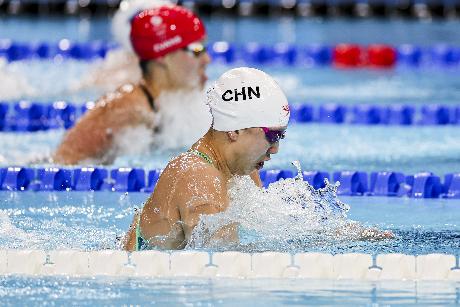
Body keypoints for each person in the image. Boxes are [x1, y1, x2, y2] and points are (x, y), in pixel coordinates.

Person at [123, 67, 290, 250]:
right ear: (235, 131)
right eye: (272, 136)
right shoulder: (198, 177)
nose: (275, 149)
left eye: (281, 136)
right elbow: (222, 263)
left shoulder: (245, 171)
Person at [53, 4, 211, 165]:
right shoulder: (126, 108)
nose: (207, 59)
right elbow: (62, 163)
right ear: (162, 56)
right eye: (197, 49)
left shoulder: (166, 102)